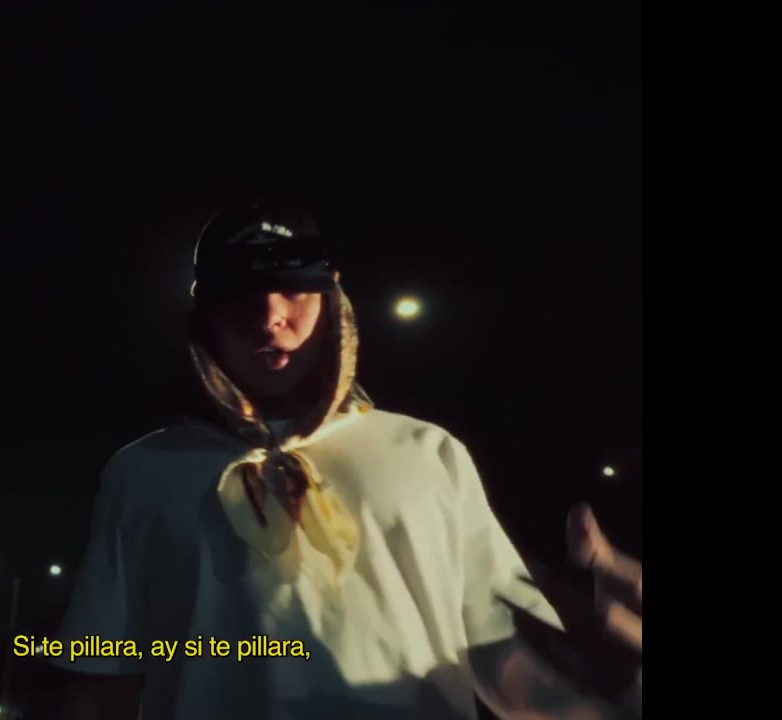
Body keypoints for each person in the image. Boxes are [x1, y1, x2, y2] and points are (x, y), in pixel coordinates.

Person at [48, 203, 642, 720]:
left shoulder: (428, 452)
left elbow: (501, 650)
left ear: (334, 302)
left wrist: (607, 695)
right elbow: (102, 666)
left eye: (294, 288)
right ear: (202, 319)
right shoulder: (145, 472)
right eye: (239, 294)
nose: (270, 314)